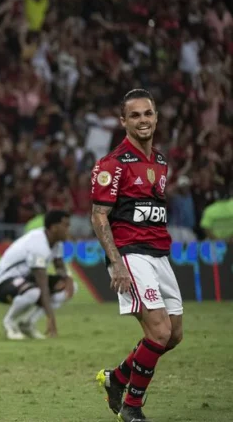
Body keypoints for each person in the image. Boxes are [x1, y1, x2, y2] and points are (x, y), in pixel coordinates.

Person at [91, 89, 182, 422]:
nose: (143, 120)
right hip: (130, 254)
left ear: (156, 118)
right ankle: (132, 406)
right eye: (135, 115)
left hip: (159, 253)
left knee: (173, 335)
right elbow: (99, 215)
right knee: (158, 332)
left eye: (148, 114)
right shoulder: (112, 164)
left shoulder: (160, 161)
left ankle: (116, 378)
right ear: (123, 121)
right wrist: (116, 263)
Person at [0, 210, 75, 340]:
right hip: (1, 283)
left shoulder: (56, 243)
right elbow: (42, 284)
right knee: (34, 292)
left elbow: (59, 266)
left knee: (66, 288)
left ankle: (27, 323)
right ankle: (9, 323)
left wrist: (68, 278)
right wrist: (50, 317)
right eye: (66, 225)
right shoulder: (37, 244)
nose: (69, 230)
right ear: (54, 227)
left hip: (25, 280)